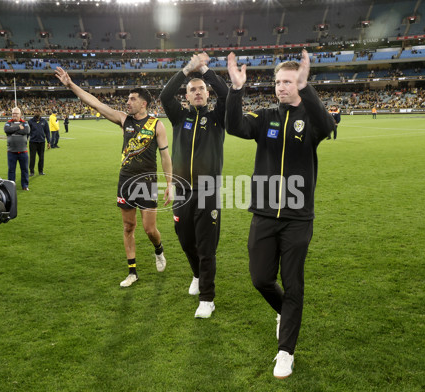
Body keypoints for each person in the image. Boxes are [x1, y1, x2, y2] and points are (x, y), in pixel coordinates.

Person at [225, 50, 335, 378]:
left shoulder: (312, 120)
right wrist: (235, 89)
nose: (280, 87)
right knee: (260, 278)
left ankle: (285, 351)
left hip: (298, 218)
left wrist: (308, 88)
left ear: (299, 84)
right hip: (263, 214)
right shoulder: (265, 117)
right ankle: (284, 312)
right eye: (277, 82)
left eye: (287, 81)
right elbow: (233, 126)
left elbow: (328, 125)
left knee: (294, 284)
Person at [55, 67, 173, 287]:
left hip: (146, 183)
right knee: (128, 227)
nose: (127, 102)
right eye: (128, 99)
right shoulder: (123, 119)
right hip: (125, 180)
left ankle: (159, 250)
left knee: (149, 229)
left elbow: (165, 156)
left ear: (144, 103)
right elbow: (96, 104)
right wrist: (70, 85)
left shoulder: (157, 124)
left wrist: (169, 184)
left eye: (132, 99)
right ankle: (132, 272)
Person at [159, 52, 228, 319]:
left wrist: (206, 71)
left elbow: (227, 94)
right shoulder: (180, 117)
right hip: (182, 192)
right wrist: (188, 69)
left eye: (201, 89)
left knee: (206, 246)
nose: (198, 93)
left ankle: (207, 298)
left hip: (208, 190)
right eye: (192, 90)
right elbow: (165, 95)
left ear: (207, 94)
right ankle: (197, 275)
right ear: (186, 96)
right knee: (186, 240)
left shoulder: (217, 118)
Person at [4, 107, 30, 191]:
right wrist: (18, 128)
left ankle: (25, 185)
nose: (14, 115)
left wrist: (13, 130)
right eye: (13, 113)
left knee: (25, 169)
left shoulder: (25, 123)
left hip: (23, 151)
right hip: (11, 151)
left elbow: (26, 131)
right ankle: (11, 186)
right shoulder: (8, 123)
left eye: (16, 113)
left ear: (20, 114)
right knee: (11, 170)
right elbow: (7, 130)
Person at [27, 111, 51, 176]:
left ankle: (41, 171)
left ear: (41, 112)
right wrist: (25, 142)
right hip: (33, 142)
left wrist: (49, 141)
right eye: (35, 111)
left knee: (41, 157)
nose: (37, 112)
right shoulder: (30, 121)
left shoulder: (44, 121)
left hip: (42, 142)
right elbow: (27, 132)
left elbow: (47, 132)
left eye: (38, 111)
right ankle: (32, 172)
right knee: (32, 158)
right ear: (34, 113)